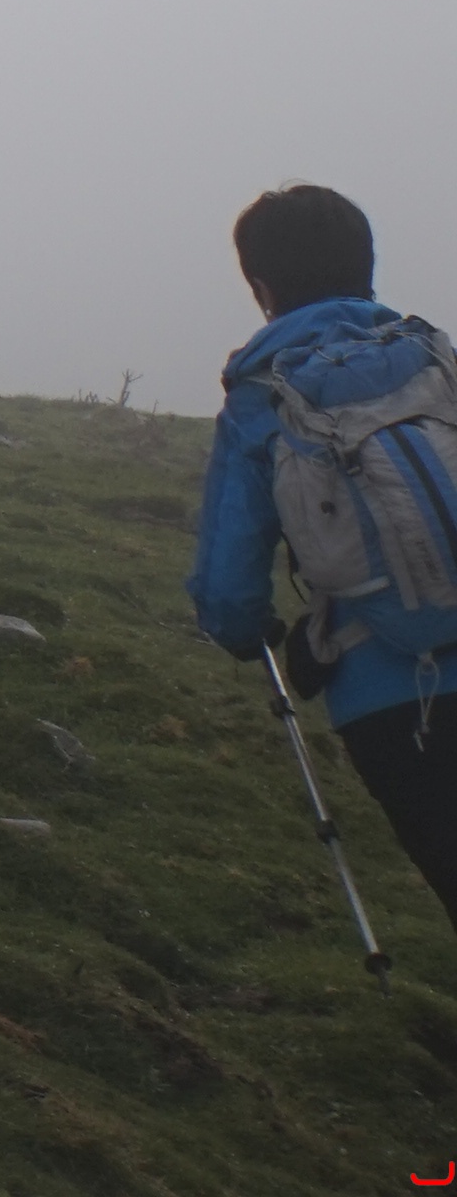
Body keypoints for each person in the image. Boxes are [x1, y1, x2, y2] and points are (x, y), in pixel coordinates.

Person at [188, 181, 457, 937]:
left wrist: (263, 636)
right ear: (366, 267)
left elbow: (228, 592)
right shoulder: (438, 361)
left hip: (389, 700)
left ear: (262, 288)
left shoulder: (262, 396)